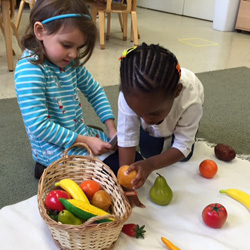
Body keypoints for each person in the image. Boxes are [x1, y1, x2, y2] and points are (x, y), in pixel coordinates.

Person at [15, 0, 117, 179]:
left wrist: (112, 129)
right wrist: (86, 141)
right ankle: (45, 167)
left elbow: (95, 91)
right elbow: (39, 126)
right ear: (40, 31)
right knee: (110, 175)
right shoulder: (29, 69)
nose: (74, 54)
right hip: (52, 149)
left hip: (76, 134)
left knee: (121, 155)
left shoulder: (70, 62)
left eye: (79, 47)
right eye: (67, 45)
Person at [117, 43, 204, 207]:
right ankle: (159, 129)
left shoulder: (191, 100)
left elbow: (183, 146)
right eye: (138, 114)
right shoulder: (128, 95)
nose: (146, 119)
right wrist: (126, 184)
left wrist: (151, 165)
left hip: (182, 113)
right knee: (148, 152)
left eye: (154, 113)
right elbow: (126, 136)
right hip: (160, 105)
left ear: (177, 91)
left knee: (185, 156)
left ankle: (176, 129)